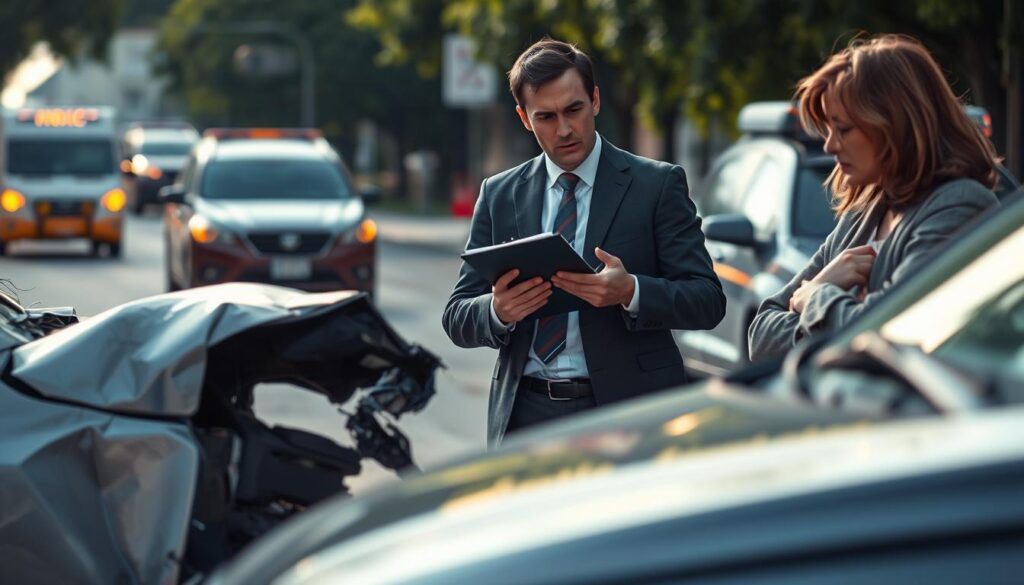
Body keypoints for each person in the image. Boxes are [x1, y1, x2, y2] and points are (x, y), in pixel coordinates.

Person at [442, 38, 725, 447]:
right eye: (546, 116)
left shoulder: (657, 185)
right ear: (524, 118)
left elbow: (708, 300)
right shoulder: (499, 194)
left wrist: (632, 291)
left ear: (594, 100)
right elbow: (457, 315)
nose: (565, 129)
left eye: (574, 109)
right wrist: (498, 310)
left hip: (628, 411)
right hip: (527, 416)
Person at [748, 34, 1001, 361]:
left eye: (843, 129)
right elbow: (760, 336)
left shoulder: (960, 204)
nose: (829, 147)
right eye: (828, 131)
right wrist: (826, 284)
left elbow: (892, 333)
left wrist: (815, 298)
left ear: (894, 124)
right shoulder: (866, 207)